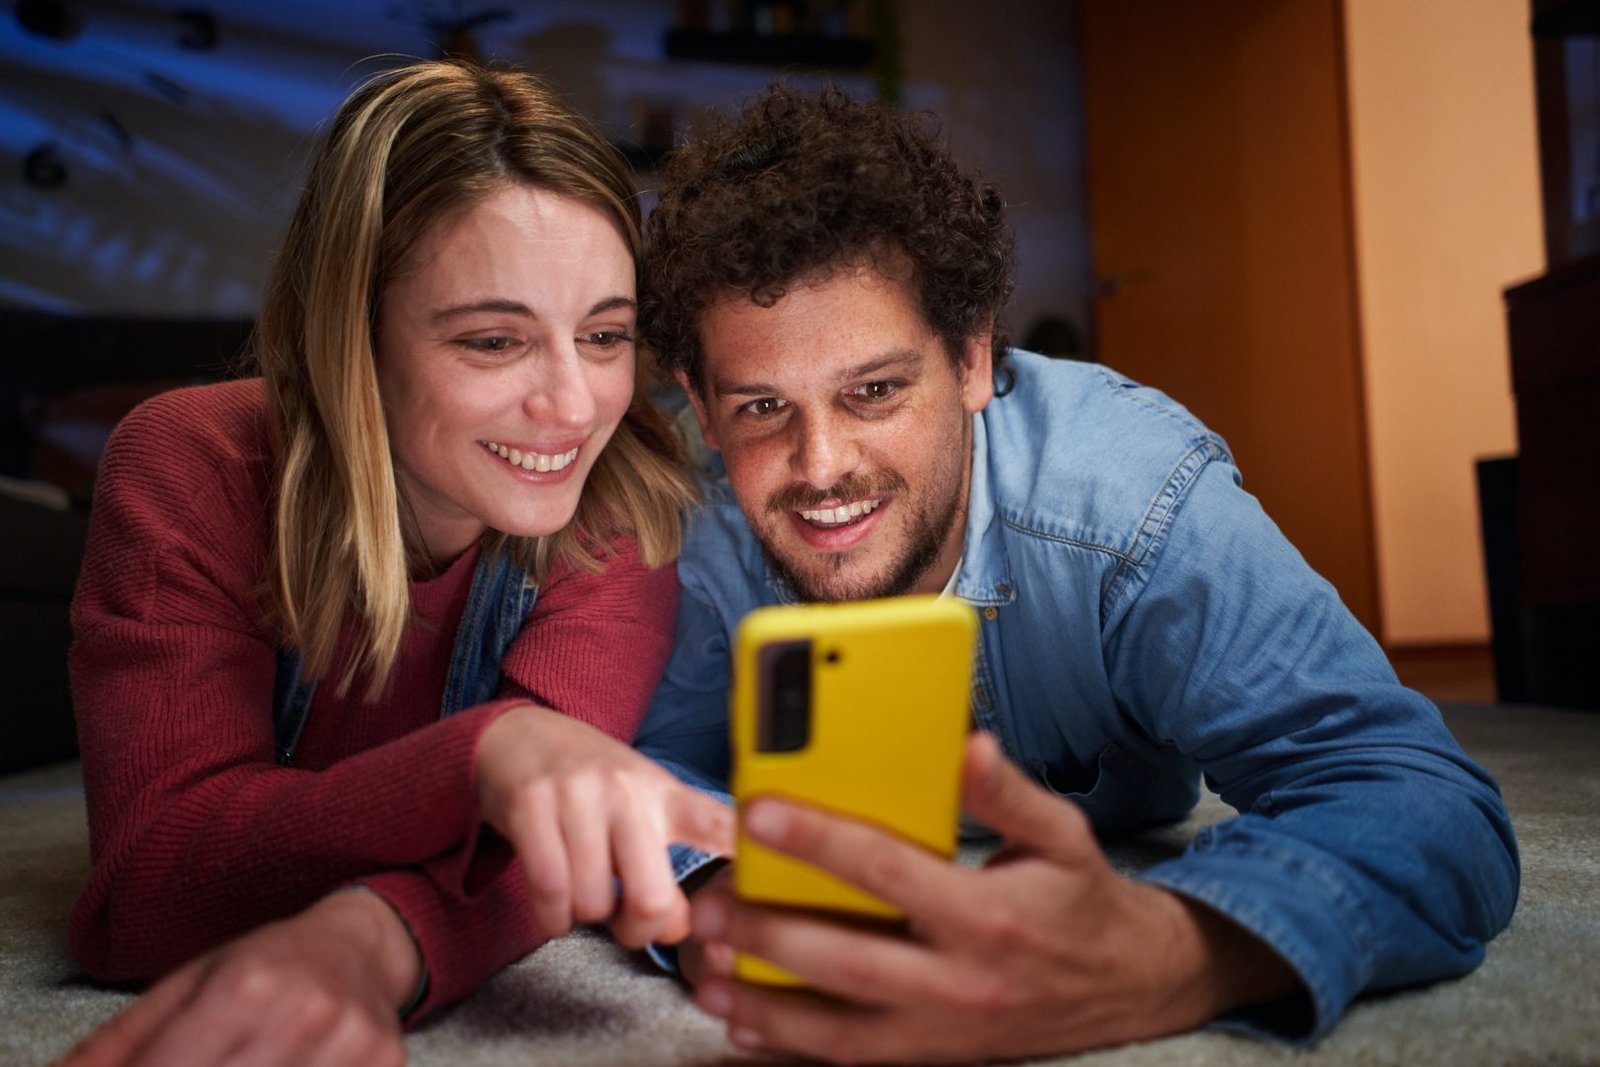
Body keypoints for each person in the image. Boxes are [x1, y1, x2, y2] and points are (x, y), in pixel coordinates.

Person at [633, 86, 1520, 1063]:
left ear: (971, 358)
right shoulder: (688, 519)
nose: (821, 464)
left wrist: (1169, 952)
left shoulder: (1130, 500)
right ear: (702, 410)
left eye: (875, 390)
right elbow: (637, 760)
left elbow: (1424, 800)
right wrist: (715, 882)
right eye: (761, 407)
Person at [60, 60, 731, 1066]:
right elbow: (148, 885)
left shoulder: (622, 501)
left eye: (604, 335)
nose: (575, 405)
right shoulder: (190, 462)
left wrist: (364, 944)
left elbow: (538, 858)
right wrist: (485, 756)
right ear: (355, 332)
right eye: (495, 339)